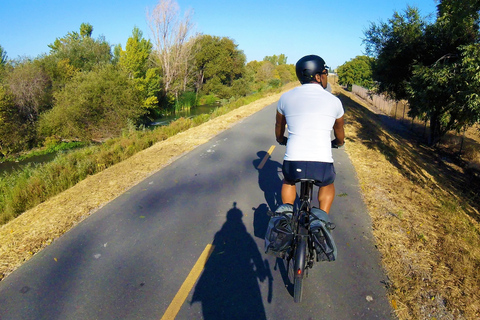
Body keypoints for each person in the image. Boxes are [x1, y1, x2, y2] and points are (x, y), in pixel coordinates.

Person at [275, 55, 345, 214]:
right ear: (318, 76)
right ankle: (321, 220)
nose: (326, 76)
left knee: (288, 180)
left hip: (293, 161)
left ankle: (286, 215)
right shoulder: (334, 101)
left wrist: (280, 139)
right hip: (322, 163)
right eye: (325, 73)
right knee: (327, 183)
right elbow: (339, 132)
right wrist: (339, 142)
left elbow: (279, 125)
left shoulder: (285, 97)